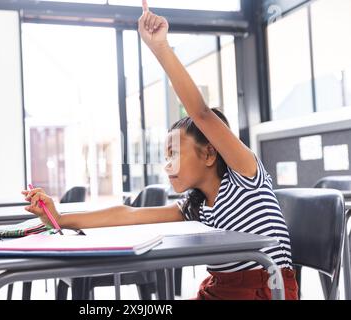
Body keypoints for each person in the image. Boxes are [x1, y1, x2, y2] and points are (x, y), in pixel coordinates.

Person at [22, 0, 298, 300]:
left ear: (209, 154)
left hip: (267, 292)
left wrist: (160, 47)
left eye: (174, 153)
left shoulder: (246, 175)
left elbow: (202, 114)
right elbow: (126, 215)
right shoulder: (196, 207)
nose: (167, 164)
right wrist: (58, 218)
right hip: (219, 291)